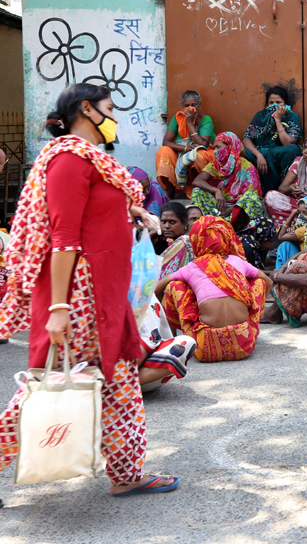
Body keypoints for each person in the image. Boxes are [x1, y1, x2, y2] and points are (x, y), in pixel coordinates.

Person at [0, 83, 178, 498]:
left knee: (119, 383)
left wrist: (129, 211)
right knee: (46, 389)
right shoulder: (67, 160)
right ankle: (126, 472)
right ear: (87, 109)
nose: (115, 118)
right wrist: (58, 307)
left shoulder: (91, 162)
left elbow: (93, 214)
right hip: (79, 299)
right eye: (110, 108)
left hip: (104, 294)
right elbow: (63, 237)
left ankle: (126, 472)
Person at [156, 216, 271, 362]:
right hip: (243, 345)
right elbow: (268, 281)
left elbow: (158, 287)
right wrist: (254, 312)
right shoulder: (238, 261)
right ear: (227, 237)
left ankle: (172, 339)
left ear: (197, 240)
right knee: (258, 282)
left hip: (204, 349)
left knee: (174, 286)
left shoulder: (193, 266)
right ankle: (250, 328)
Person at [190, 132, 267, 231]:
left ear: (230, 147)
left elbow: (254, 196)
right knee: (197, 192)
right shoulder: (216, 165)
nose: (215, 151)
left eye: (218, 147)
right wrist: (216, 191)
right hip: (218, 210)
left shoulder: (247, 167)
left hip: (238, 214)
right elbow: (197, 181)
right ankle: (202, 230)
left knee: (251, 198)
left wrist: (231, 209)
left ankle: (250, 233)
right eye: (214, 148)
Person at [242, 85, 303, 194]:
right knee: (240, 152)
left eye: (279, 102)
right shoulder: (261, 115)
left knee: (293, 150)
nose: (275, 106)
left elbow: (288, 142)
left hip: (278, 152)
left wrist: (278, 120)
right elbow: (247, 138)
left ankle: (284, 188)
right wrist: (259, 155)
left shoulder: (293, 117)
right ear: (267, 104)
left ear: (285, 103)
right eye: (271, 103)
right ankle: (250, 190)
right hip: (259, 152)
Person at [156, 90, 215, 198]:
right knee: (163, 151)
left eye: (193, 105)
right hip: (183, 151)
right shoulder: (178, 118)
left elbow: (202, 144)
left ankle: (197, 190)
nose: (190, 108)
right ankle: (170, 191)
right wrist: (185, 148)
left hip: (202, 152)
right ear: (182, 107)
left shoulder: (206, 119)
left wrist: (189, 123)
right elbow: (166, 141)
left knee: (198, 155)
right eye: (186, 105)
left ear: (199, 105)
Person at [275, 196, 307, 270]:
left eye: (305, 213)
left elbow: (281, 236)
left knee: (285, 245)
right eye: (299, 212)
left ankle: (278, 272)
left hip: (305, 265)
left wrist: (292, 214)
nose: (300, 216)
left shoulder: (306, 229)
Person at [158, 203, 195, 279]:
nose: (166, 226)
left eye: (172, 222)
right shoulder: (160, 242)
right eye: (163, 222)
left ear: (185, 223)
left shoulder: (186, 242)